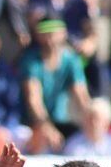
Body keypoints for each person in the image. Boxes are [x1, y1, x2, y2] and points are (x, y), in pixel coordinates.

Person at [21, 18, 91, 153]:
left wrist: (91, 120)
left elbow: (81, 96)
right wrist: (46, 127)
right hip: (35, 123)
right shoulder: (31, 61)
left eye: (53, 34)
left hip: (63, 121)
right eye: (46, 34)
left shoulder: (71, 60)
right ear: (38, 36)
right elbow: (33, 99)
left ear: (63, 34)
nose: (50, 40)